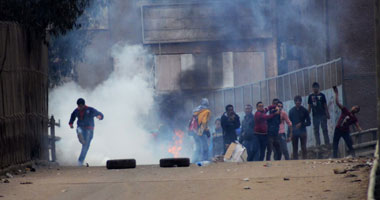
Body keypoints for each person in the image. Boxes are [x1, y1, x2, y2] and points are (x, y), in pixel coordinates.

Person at [69, 98, 104, 166]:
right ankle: (80, 135)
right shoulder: (76, 110)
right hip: (81, 127)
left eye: (81, 106)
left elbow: (99, 114)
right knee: (78, 130)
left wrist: (100, 117)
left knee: (85, 146)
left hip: (89, 129)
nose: (80, 108)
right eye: (78, 106)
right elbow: (72, 116)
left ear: (83, 105)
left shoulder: (90, 110)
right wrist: (71, 123)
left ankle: (80, 162)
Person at [332, 87, 362, 158]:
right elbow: (337, 103)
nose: (354, 108)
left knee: (349, 144)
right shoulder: (345, 110)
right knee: (335, 144)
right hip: (338, 129)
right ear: (352, 107)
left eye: (356, 109)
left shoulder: (354, 118)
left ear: (356, 111)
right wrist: (336, 94)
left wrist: (360, 130)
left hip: (345, 131)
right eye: (354, 107)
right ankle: (335, 157)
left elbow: (358, 126)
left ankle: (353, 156)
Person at [308, 82, 330, 146]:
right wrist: (307, 116)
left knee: (324, 129)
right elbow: (309, 107)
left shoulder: (322, 95)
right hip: (315, 116)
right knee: (316, 131)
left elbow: (325, 105)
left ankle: (327, 143)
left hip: (323, 115)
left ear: (318, 88)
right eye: (314, 88)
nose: (315, 89)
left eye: (316, 87)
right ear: (312, 88)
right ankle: (318, 144)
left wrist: (327, 114)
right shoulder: (310, 96)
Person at [289, 96, 311, 160]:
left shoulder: (304, 110)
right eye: (296, 101)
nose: (298, 103)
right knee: (295, 148)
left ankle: (304, 160)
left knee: (303, 147)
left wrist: (301, 124)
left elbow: (309, 122)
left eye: (299, 101)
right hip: (294, 132)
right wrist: (290, 134)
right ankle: (296, 162)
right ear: (294, 102)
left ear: (301, 102)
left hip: (303, 131)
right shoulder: (291, 111)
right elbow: (289, 123)